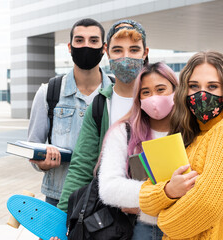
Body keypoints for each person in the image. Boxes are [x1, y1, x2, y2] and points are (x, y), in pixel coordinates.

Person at [139, 51, 223, 239]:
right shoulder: (185, 136)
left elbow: (205, 207)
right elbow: (145, 198)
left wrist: (164, 219)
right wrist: (169, 191)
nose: (202, 94)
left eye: (212, 86)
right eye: (194, 86)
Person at [57, 19, 149, 212]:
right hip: (110, 214)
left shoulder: (160, 99)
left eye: (134, 50)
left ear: (145, 53)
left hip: (154, 211)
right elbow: (82, 166)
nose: (125, 57)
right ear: (107, 53)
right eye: (117, 50)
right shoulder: (100, 105)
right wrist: (61, 217)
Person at [27, 18, 112, 207]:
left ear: (104, 48)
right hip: (58, 199)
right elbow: (33, 148)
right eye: (79, 40)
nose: (86, 46)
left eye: (93, 41)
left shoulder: (117, 92)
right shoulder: (48, 92)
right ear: (70, 46)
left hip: (107, 201)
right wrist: (42, 163)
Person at [97, 62, 185, 240]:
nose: (154, 98)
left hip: (187, 227)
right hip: (144, 229)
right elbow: (108, 187)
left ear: (176, 91)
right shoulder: (123, 132)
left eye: (161, 89)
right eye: (146, 92)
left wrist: (140, 200)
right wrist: (166, 192)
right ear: (138, 97)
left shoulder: (192, 130)